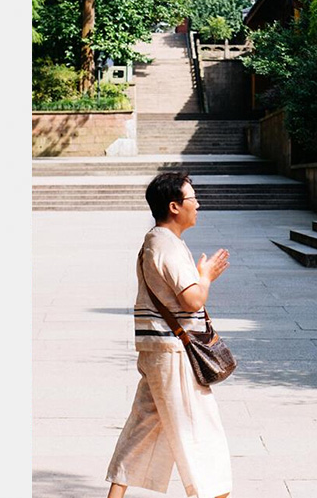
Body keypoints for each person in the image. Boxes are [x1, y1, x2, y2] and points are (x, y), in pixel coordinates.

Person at [105, 172, 232, 498]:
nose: (197, 204)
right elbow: (193, 299)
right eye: (192, 199)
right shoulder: (167, 246)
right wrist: (205, 276)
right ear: (175, 206)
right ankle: (213, 493)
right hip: (174, 354)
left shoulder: (156, 241)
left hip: (159, 350)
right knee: (200, 431)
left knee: (143, 428)